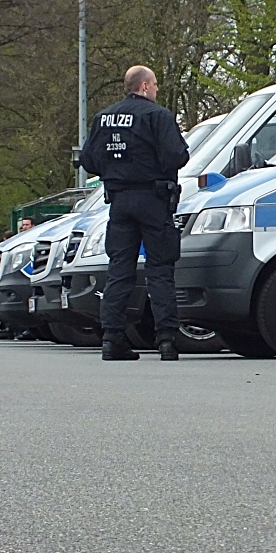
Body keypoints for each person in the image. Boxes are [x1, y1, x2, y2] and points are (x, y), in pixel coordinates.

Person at [79, 64, 190, 361]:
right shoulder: (158, 116)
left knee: (119, 269)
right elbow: (177, 156)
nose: (156, 90)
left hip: (119, 201)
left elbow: (89, 160)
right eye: (154, 85)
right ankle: (166, 339)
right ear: (143, 86)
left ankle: (112, 338)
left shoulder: (104, 118)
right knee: (160, 269)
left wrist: (116, 171)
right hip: (154, 200)